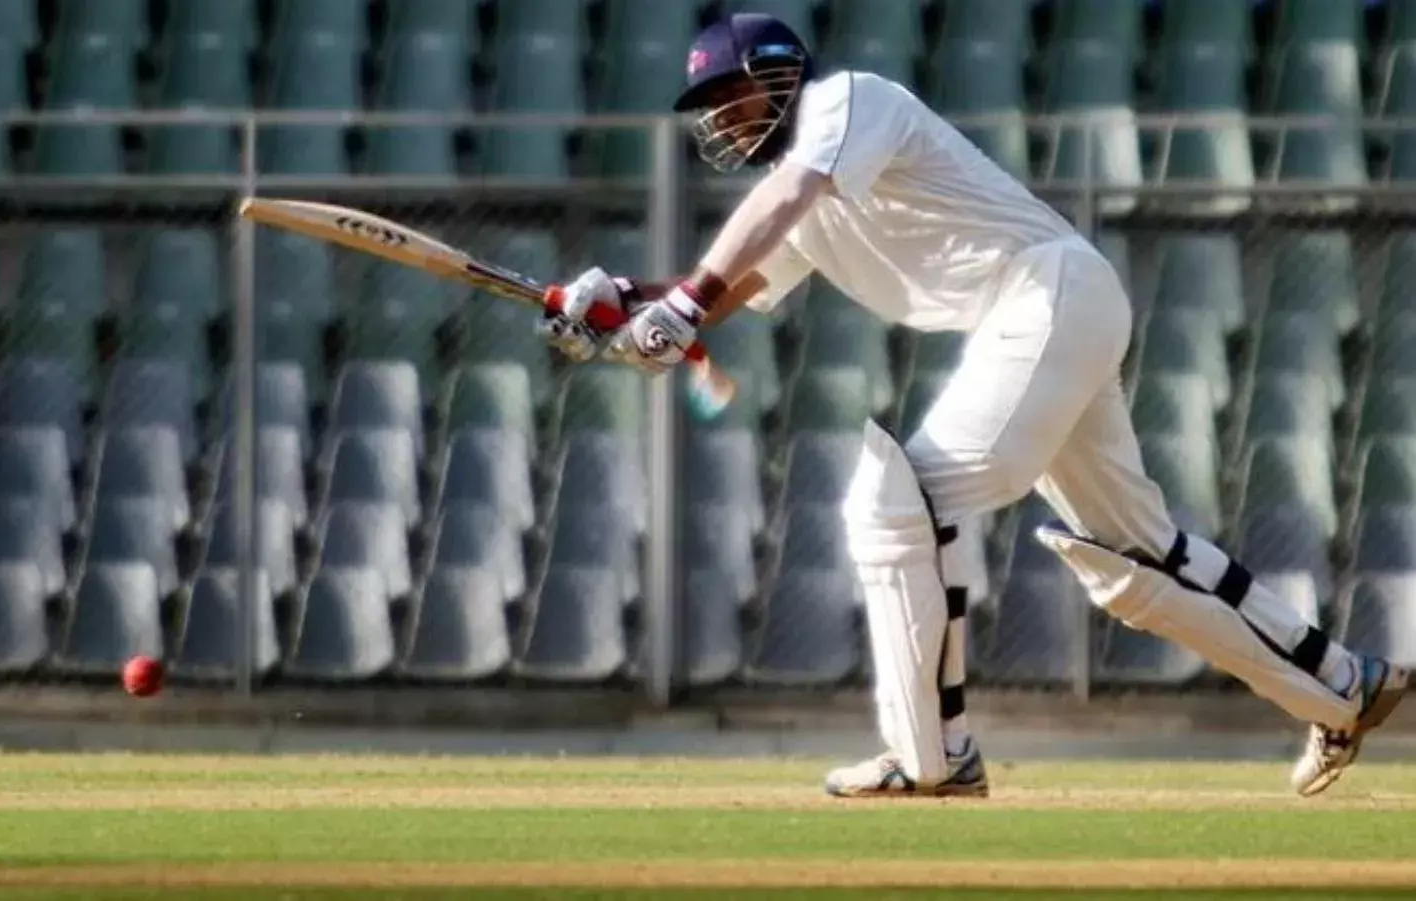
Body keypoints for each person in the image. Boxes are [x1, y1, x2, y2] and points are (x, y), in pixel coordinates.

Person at [536, 12, 1408, 798]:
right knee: (1140, 562)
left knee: (895, 502)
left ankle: (932, 755)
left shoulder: (846, 102)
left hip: (1045, 294)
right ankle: (1341, 682)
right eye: (710, 106)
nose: (722, 117)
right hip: (1057, 305)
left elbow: (762, 225)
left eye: (730, 93)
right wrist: (621, 296)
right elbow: (740, 280)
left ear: (778, 75)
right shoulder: (799, 202)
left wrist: (681, 304)